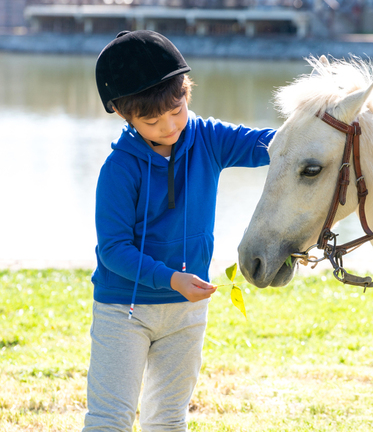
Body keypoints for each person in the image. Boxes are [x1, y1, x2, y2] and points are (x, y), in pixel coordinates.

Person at [84, 30, 275, 431]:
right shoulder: (120, 169)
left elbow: (270, 146)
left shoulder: (207, 138)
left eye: (177, 110)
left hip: (186, 310)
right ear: (126, 115)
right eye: (152, 121)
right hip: (125, 309)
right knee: (110, 419)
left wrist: (321, 124)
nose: (170, 126)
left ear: (186, 91)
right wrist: (171, 279)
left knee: (169, 419)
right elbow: (113, 251)